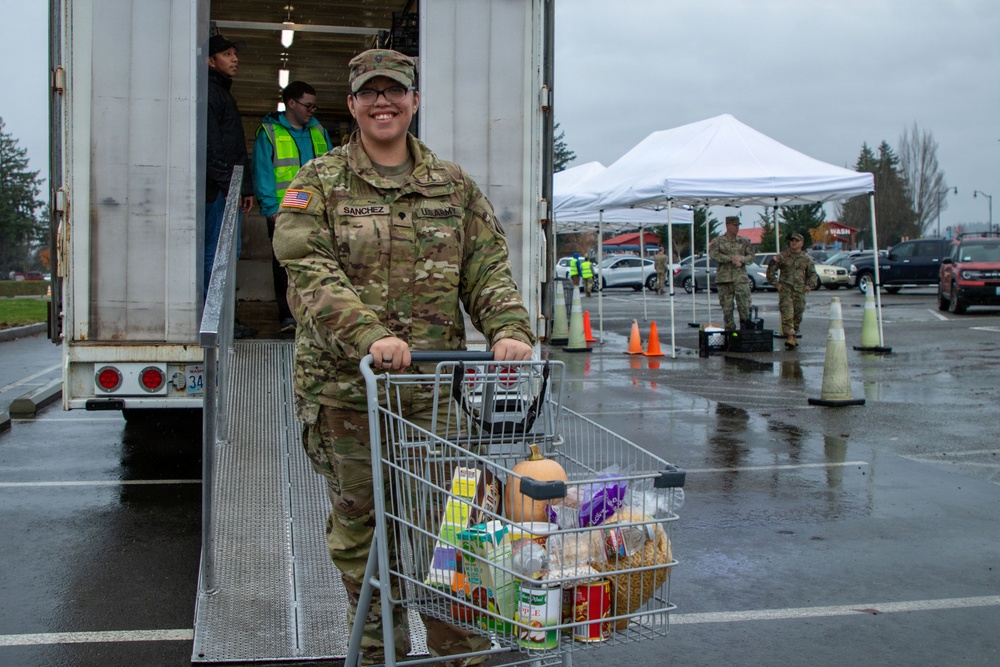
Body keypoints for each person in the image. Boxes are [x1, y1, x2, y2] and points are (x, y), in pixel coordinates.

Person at [271, 49, 534, 666]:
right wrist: (369, 336)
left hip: (436, 396)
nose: (383, 103)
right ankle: (376, 654)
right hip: (346, 391)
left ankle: (457, 657)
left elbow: (486, 268)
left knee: (453, 533)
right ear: (353, 104)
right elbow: (308, 271)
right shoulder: (320, 182)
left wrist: (507, 328)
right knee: (364, 534)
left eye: (395, 92)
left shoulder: (452, 185)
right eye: (370, 93)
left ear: (414, 101)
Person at [253, 81, 332, 334]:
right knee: (284, 265)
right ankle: (288, 317)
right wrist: (271, 209)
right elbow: (263, 172)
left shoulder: (318, 130)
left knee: (320, 262)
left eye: (314, 106)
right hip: (283, 212)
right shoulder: (269, 132)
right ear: (291, 103)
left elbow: (333, 169)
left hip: (317, 210)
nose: (312, 110)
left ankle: (316, 314)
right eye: (308, 105)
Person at [206, 32, 255, 337]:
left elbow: (234, 146)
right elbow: (212, 148)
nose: (234, 59)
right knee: (218, 256)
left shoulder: (221, 92)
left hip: (227, 189)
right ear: (211, 61)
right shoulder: (211, 94)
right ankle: (218, 324)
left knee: (226, 254)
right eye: (227, 54)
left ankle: (223, 322)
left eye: (235, 53)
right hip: (218, 193)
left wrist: (244, 187)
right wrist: (230, 187)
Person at [766, 232, 819, 350]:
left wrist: (809, 285)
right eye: (792, 240)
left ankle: (794, 333)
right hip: (786, 289)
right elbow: (770, 270)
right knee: (787, 313)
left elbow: (812, 274)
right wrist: (776, 283)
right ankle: (790, 336)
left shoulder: (806, 259)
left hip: (800, 291)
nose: (793, 243)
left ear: (801, 243)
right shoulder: (782, 257)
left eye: (796, 241)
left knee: (798, 314)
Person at [708, 216, 755, 331]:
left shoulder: (743, 241)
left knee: (744, 306)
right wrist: (730, 259)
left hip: (740, 279)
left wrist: (741, 259)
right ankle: (730, 332)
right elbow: (713, 254)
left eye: (738, 225)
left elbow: (751, 257)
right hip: (725, 279)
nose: (737, 228)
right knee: (727, 308)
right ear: (727, 225)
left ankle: (745, 331)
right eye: (734, 225)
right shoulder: (717, 241)